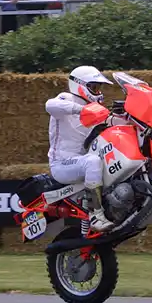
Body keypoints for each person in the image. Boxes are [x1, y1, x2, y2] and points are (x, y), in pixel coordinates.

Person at [45, 65, 125, 232]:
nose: (98, 91)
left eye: (99, 87)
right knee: (93, 161)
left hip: (81, 164)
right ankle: (96, 214)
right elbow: (50, 105)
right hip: (62, 164)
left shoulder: (96, 110)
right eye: (94, 87)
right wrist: (83, 110)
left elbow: (115, 123)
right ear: (80, 85)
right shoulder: (66, 98)